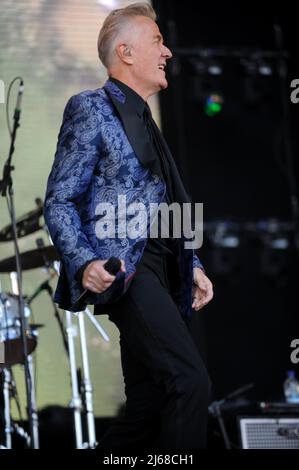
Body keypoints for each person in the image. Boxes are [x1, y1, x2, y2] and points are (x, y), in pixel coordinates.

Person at [44, 2, 213, 450]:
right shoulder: (91, 108)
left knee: (148, 403)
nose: (168, 51)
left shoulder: (146, 121)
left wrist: (191, 261)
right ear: (126, 52)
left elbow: (166, 202)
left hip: (165, 268)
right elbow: (60, 199)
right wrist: (84, 264)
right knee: (189, 381)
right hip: (129, 271)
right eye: (157, 41)